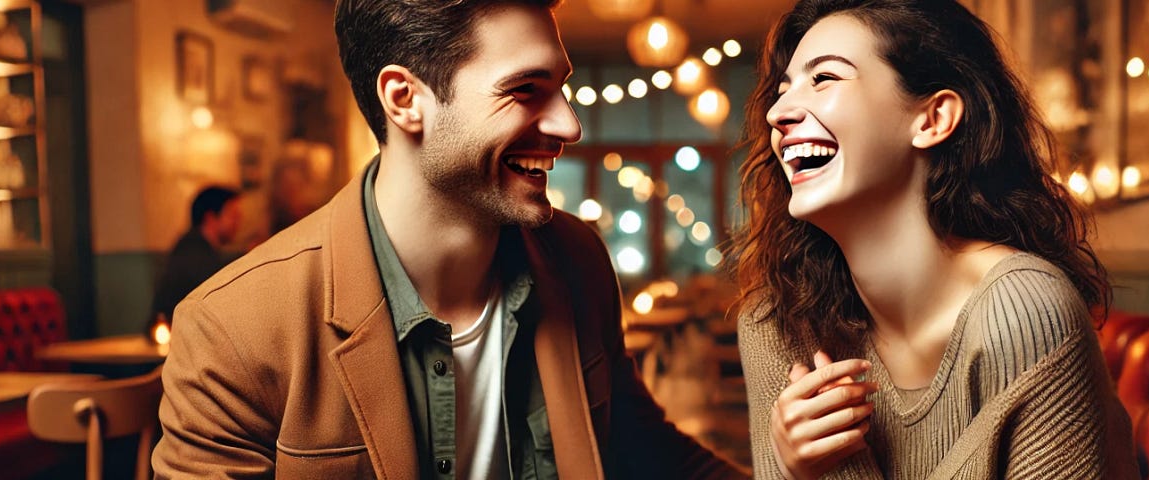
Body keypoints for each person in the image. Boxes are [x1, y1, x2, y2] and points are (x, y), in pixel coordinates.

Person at [151, 1, 744, 479]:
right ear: (405, 99)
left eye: (560, 88)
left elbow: (646, 455)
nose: (569, 124)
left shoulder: (577, 258)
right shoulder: (231, 328)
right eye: (525, 90)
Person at [726, 0, 1140, 478]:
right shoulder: (777, 325)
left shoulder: (1024, 310)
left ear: (933, 118)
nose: (778, 112)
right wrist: (794, 467)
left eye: (824, 79)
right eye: (783, 90)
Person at [151, 186, 241, 321]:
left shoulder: (196, 246)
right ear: (210, 218)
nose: (238, 223)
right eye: (232, 216)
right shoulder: (193, 252)